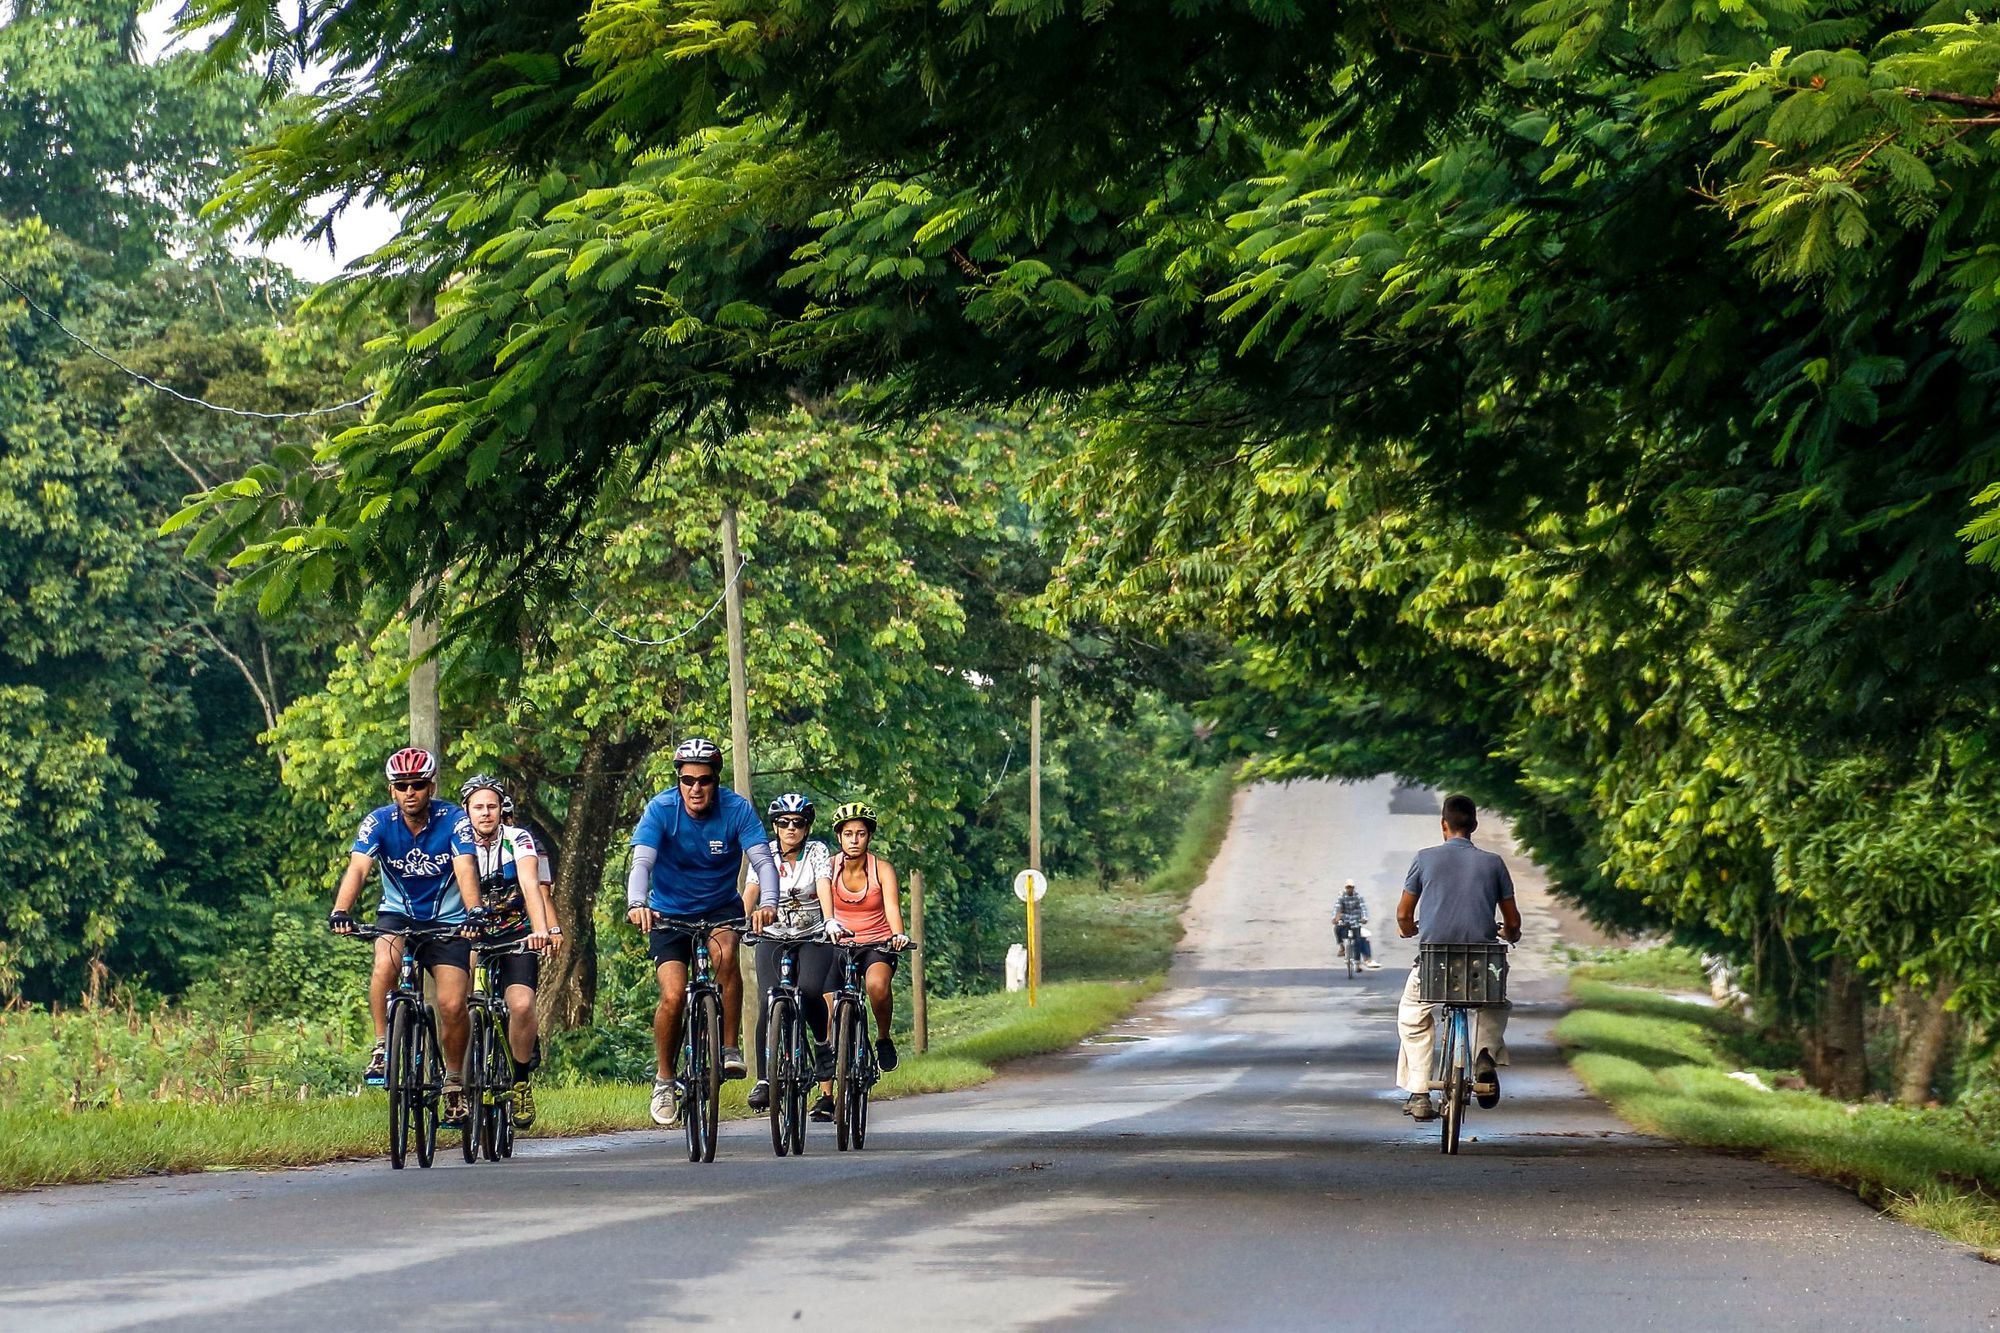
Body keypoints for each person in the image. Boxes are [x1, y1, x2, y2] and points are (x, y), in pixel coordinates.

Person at [626, 737, 780, 1129]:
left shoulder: (736, 810)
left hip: (719, 908)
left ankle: (729, 1046)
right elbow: (642, 862)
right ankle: (664, 1079)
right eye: (688, 780)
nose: (696, 789)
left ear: (716, 781)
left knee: (726, 956)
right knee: (673, 995)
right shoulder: (661, 809)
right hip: (668, 912)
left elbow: (762, 861)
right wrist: (636, 903)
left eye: (705, 780)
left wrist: (768, 904)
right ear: (678, 780)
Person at [328, 747, 485, 1123]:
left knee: (451, 1005)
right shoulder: (378, 822)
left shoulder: (455, 820)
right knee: (385, 963)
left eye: (417, 784)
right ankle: (383, 1045)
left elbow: (465, 868)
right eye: (402, 786)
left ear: (431, 787)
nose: (410, 792)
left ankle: (453, 1081)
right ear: (392, 789)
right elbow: (358, 869)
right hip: (398, 915)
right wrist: (340, 910)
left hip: (448, 921)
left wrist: (475, 910)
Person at [1394, 793, 1522, 1122]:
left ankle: (1420, 1092)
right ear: (1474, 826)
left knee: (1413, 1015)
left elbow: (1404, 913)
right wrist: (1510, 934)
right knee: (1494, 1002)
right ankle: (1482, 1055)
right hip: (1481, 961)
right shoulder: (1493, 863)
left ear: (1443, 825)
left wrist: (1408, 929)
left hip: (1435, 960)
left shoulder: (1424, 858)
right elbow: (1513, 920)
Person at [459, 774, 557, 1128]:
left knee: (521, 1004)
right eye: (478, 807)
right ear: (466, 811)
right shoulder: (456, 841)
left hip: (515, 935)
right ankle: (455, 1077)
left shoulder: (519, 839)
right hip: (471, 934)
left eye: (492, 806)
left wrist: (541, 930)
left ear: (502, 809)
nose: (485, 813)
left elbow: (532, 886)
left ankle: (519, 1081)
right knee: (454, 1000)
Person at [748, 793, 838, 1114]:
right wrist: (742, 922)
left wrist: (829, 921)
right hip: (773, 936)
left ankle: (823, 1047)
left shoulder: (817, 851)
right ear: (775, 826)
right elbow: (752, 892)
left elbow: (825, 885)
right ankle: (764, 1080)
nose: (790, 828)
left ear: (807, 827)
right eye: (784, 823)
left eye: (798, 823)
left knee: (812, 991)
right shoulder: (764, 853)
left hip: (812, 935)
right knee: (766, 1002)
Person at [822, 801, 909, 1117]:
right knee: (828, 1007)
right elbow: (818, 905)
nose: (854, 840)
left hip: (876, 943)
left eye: (860, 833)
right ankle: (826, 1093)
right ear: (839, 838)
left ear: (869, 836)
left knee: (876, 986)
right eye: (848, 834)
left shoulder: (881, 869)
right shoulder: (828, 869)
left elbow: (892, 909)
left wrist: (897, 935)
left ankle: (883, 1037)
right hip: (837, 943)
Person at [1333, 880, 1379, 969]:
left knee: (1358, 940)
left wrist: (1365, 918)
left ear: (1353, 888)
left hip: (1355, 921)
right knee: (1337, 929)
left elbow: (1363, 908)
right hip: (1345, 920)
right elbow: (1337, 907)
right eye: (1348, 887)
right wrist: (1335, 918)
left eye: (1351, 887)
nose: (1349, 889)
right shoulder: (1342, 896)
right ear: (1345, 888)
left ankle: (1357, 963)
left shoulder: (1358, 897)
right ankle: (1342, 946)